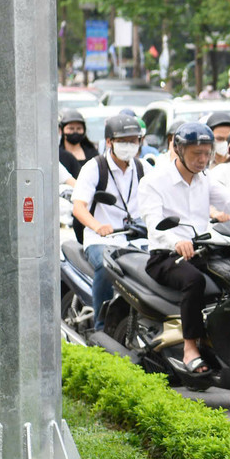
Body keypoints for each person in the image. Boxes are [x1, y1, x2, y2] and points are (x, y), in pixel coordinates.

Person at [138, 122, 230, 376]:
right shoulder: (154, 181)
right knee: (194, 281)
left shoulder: (205, 180)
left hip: (200, 251)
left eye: (207, 153)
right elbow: (154, 224)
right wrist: (175, 241)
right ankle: (190, 348)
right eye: (197, 153)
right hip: (165, 256)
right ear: (178, 149)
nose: (203, 159)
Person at [70, 114, 146, 330]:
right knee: (107, 265)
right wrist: (98, 226)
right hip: (101, 240)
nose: (129, 146)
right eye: (123, 141)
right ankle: (101, 326)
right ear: (110, 141)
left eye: (133, 140)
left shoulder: (142, 168)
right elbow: (79, 207)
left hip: (135, 239)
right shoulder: (94, 167)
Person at [58, 108, 99, 180]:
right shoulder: (58, 155)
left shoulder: (93, 153)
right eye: (71, 129)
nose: (75, 132)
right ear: (61, 130)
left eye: (79, 129)